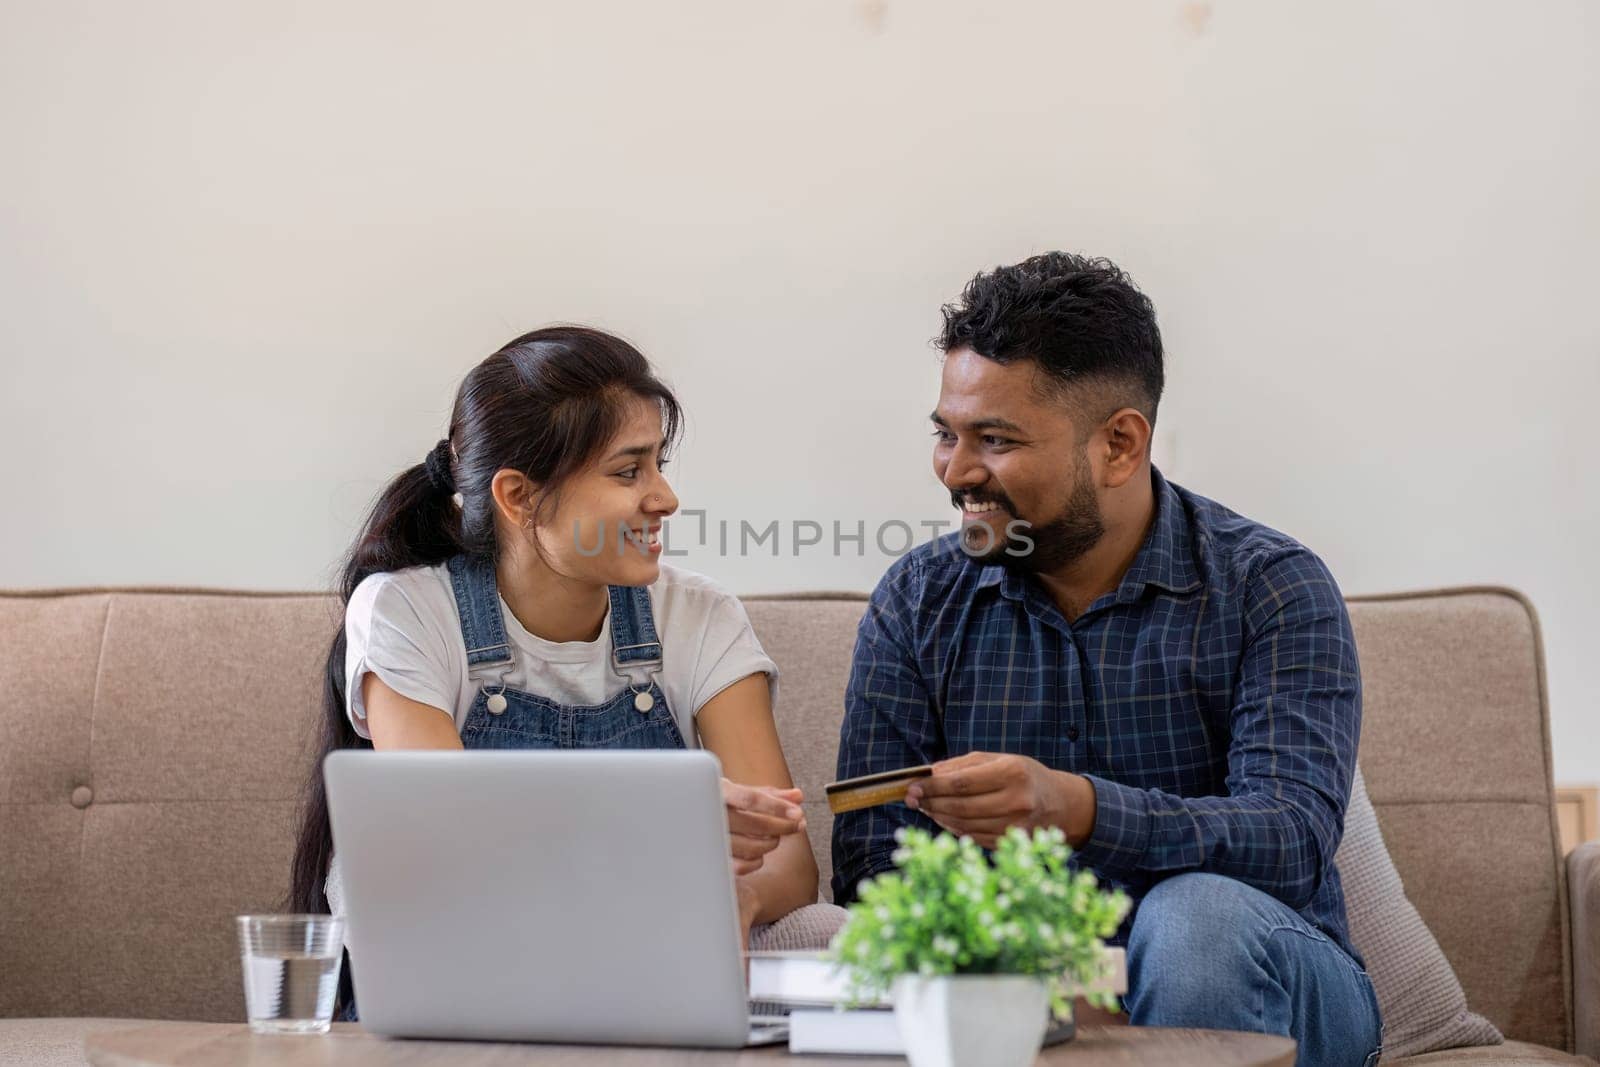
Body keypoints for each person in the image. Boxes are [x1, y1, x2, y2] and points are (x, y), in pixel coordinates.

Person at [831, 254, 1383, 1066]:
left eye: (996, 440)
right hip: (1026, 988)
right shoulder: (918, 600)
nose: (955, 472)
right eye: (946, 434)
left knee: (1196, 922)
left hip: (1272, 984)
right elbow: (871, 862)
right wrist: (1044, 971)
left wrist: (1077, 807)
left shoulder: (1269, 586)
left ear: (1119, 444)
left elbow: (1289, 836)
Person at [288, 326, 830, 1014]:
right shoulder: (406, 612)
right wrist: (666, 832)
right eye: (628, 471)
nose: (664, 497)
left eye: (659, 464)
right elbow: (450, 845)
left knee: (828, 934)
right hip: (471, 958)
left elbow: (790, 862)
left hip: (652, 947)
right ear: (517, 496)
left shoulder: (701, 616)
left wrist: (731, 896)